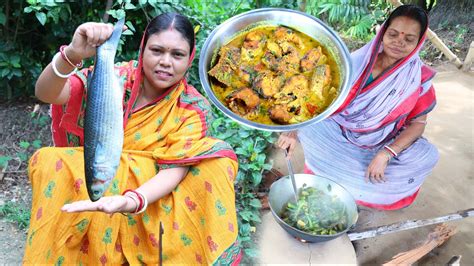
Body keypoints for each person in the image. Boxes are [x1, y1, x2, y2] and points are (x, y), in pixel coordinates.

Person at [24, 13, 241, 264]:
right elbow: (47, 93)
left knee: (215, 160)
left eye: (177, 55)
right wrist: (71, 54)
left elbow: (175, 170)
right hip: (98, 177)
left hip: (153, 197)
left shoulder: (191, 107)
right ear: (143, 49)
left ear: (190, 58)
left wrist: (131, 200)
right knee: (49, 160)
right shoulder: (115, 77)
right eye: (157, 51)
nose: (165, 62)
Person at [278, 5, 439, 210]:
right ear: (382, 32)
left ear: (418, 43)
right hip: (339, 132)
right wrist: (291, 132)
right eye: (393, 34)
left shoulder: (419, 79)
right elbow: (315, 100)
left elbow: (418, 124)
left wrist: (386, 153)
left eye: (408, 39)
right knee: (307, 125)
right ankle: (338, 173)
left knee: (426, 155)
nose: (399, 42)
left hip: (383, 139)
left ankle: (346, 178)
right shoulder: (354, 63)